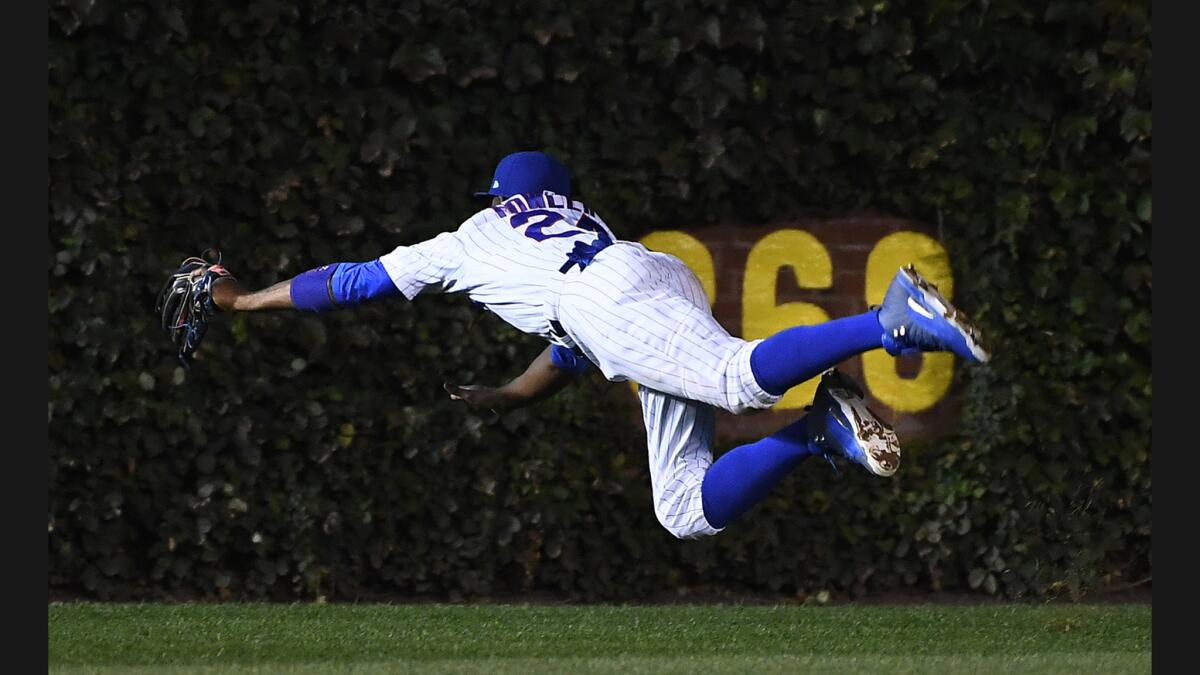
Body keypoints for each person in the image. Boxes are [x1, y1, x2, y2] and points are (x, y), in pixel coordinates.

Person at [157, 150, 989, 540]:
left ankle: (890, 318)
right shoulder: (569, 221)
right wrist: (514, 393)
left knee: (737, 378)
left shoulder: (472, 233)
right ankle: (818, 429)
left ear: (498, 197)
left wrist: (243, 296)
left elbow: (349, 281)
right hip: (639, 279)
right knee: (684, 510)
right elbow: (577, 342)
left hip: (609, 297)